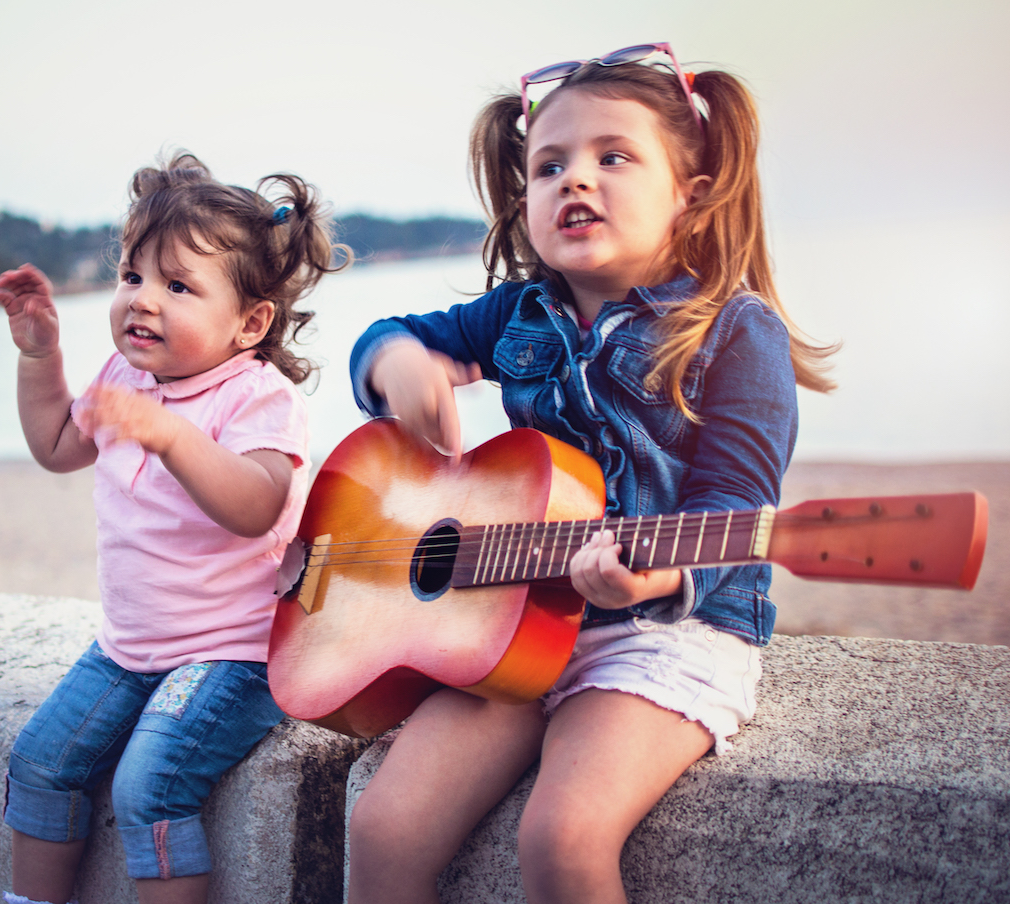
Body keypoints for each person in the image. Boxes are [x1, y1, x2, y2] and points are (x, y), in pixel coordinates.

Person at [345, 44, 834, 904]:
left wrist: (660, 568)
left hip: (666, 636)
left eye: (614, 157)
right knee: (384, 829)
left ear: (692, 192)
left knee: (563, 837)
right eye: (550, 165)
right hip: (514, 624)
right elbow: (387, 334)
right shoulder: (518, 312)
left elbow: (738, 502)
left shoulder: (734, 330)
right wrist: (398, 365)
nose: (577, 180)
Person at [0, 153, 348, 904]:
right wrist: (39, 356)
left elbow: (254, 505)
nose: (143, 301)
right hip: (129, 649)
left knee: (148, 787)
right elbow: (58, 446)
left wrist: (169, 436)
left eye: (178, 286)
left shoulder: (259, 398)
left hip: (234, 654)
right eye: (132, 277)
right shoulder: (127, 380)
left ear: (250, 322)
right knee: (40, 763)